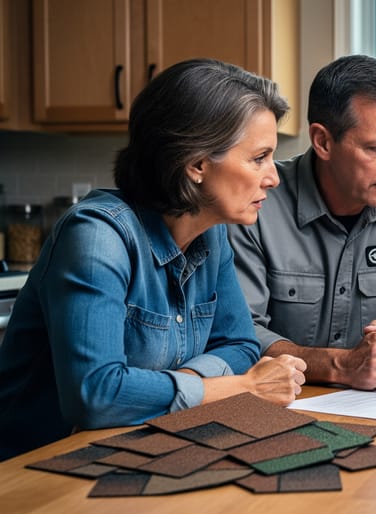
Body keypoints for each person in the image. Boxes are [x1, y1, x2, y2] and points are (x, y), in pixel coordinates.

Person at [0, 58, 308, 461]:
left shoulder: (211, 232)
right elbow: (97, 395)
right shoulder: (97, 236)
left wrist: (181, 383)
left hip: (137, 449)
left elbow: (241, 344)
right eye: (259, 157)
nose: (274, 176)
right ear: (196, 165)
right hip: (36, 468)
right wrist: (242, 388)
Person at [228, 55, 376, 391]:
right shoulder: (256, 204)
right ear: (323, 141)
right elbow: (240, 333)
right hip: (283, 403)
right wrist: (341, 366)